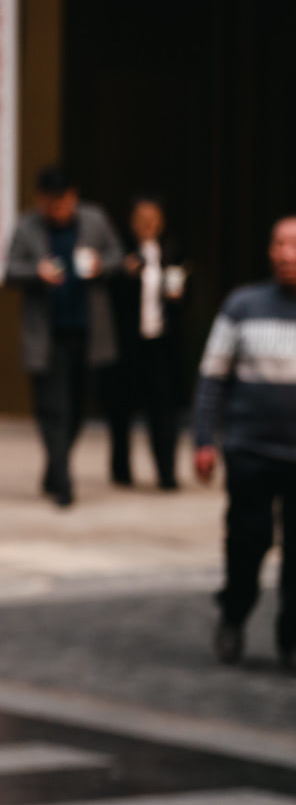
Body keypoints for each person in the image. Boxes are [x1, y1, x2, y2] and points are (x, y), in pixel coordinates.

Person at [193, 216, 296, 670]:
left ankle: (291, 639)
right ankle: (234, 614)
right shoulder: (242, 305)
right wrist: (204, 439)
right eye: (279, 243)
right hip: (250, 451)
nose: (285, 253)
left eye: (294, 245)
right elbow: (213, 377)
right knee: (246, 546)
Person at [4, 166, 125, 506]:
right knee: (51, 407)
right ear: (40, 200)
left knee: (78, 408)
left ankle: (55, 467)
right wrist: (36, 272)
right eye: (50, 201)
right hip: (46, 333)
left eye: (64, 200)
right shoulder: (28, 226)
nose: (58, 208)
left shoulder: (95, 220)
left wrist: (101, 265)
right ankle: (64, 482)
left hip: (87, 330)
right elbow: (10, 270)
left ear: (74, 196)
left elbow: (119, 257)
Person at [105, 197, 190, 490]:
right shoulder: (121, 252)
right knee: (122, 408)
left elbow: (184, 298)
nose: (147, 225)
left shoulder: (172, 251)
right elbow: (109, 296)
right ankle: (121, 471)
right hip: (128, 343)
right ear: (131, 222)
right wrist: (123, 275)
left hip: (161, 342)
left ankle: (166, 472)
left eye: (153, 218)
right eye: (141, 218)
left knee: (163, 410)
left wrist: (178, 297)